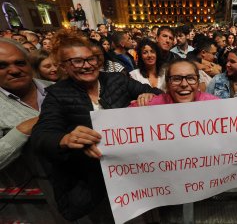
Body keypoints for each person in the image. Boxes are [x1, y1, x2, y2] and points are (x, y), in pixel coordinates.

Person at [30, 29, 163, 222]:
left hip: (133, 174)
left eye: (91, 59)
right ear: (64, 67)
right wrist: (65, 139)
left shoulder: (117, 80)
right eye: (77, 61)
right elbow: (41, 135)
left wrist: (149, 95)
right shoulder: (57, 94)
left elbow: (157, 93)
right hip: (93, 181)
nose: (87, 65)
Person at [134, 58, 237, 142]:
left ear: (198, 82)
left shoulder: (212, 103)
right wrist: (144, 101)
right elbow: (120, 124)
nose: (184, 84)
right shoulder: (153, 103)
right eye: (176, 78)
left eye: (190, 78)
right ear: (168, 83)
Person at [0, 38, 53, 170]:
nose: (14, 70)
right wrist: (22, 130)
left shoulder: (58, 89)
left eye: (20, 63)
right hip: (32, 188)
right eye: (2, 66)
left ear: (29, 64)